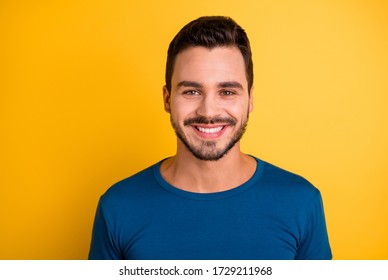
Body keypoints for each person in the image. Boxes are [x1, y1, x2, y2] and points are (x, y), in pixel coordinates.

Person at [88, 16, 332, 260]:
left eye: (227, 92)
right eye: (192, 91)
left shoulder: (301, 202)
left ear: (250, 99)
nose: (209, 112)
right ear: (167, 99)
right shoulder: (118, 208)